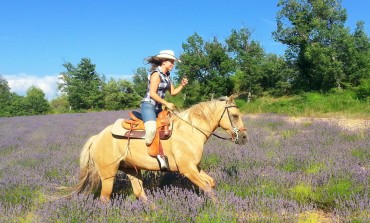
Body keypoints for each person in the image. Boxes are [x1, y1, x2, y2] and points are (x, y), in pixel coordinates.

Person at [141, 50, 188, 168]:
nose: (173, 64)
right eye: (171, 62)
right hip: (149, 106)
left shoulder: (167, 76)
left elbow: (172, 92)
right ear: (163, 62)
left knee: (172, 127)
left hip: (158, 108)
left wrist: (182, 85)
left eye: (173, 62)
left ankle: (166, 153)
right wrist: (166, 103)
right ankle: (145, 155)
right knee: (151, 129)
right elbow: (152, 93)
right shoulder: (156, 74)